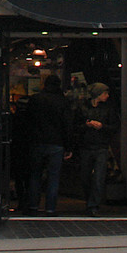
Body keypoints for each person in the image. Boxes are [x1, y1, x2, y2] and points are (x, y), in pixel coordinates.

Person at [20, 76, 75, 216]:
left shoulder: (35, 99)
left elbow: (27, 121)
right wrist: (69, 147)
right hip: (56, 143)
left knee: (35, 175)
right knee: (53, 177)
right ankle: (50, 208)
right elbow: (67, 125)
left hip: (37, 141)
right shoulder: (62, 102)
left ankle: (33, 206)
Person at [77, 83, 115, 216]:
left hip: (99, 146)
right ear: (98, 94)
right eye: (104, 93)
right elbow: (75, 126)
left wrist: (102, 126)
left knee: (98, 177)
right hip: (88, 145)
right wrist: (87, 126)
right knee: (86, 177)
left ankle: (93, 204)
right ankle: (91, 202)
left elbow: (114, 127)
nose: (107, 96)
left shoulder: (106, 109)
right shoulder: (83, 107)